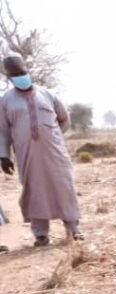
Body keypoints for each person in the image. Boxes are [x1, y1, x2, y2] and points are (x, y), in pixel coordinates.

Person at [0, 54, 82, 247]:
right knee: (34, 190)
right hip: (26, 155)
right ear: (9, 76)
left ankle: (73, 230)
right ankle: (40, 235)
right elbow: (2, 131)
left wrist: (54, 137)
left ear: (27, 70)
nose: (19, 76)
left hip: (55, 153)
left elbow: (64, 119)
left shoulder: (48, 94)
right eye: (14, 75)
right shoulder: (5, 101)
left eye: (22, 72)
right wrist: (3, 155)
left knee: (64, 188)